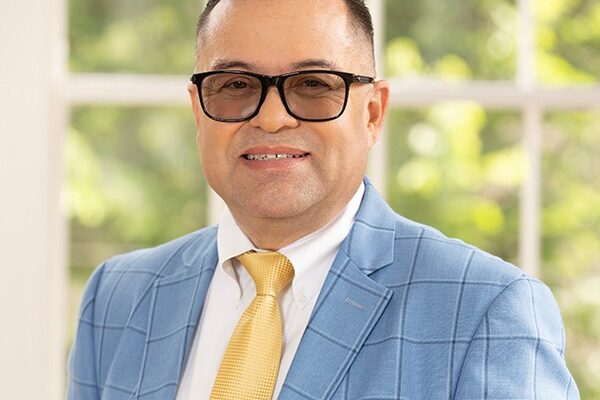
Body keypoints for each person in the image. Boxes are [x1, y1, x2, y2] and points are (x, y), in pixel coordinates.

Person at [67, 0, 579, 399]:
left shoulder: (486, 310)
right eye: (236, 84)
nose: (271, 118)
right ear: (199, 112)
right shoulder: (118, 297)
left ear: (373, 113)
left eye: (313, 84)